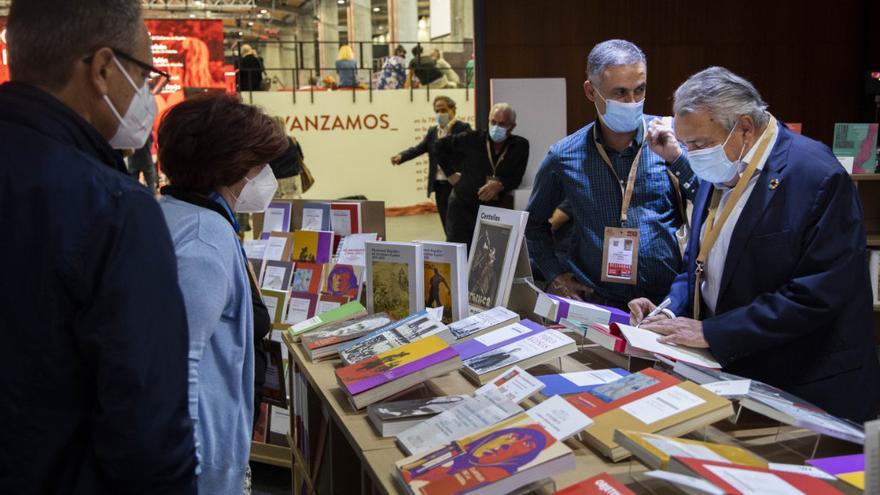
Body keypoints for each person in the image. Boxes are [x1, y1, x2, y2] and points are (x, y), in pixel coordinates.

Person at [0, 1, 196, 494]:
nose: (147, 96)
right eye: (145, 75)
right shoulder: (113, 209)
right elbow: (148, 436)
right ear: (104, 69)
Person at [629, 67, 880, 422]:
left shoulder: (817, 176)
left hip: (807, 384)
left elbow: (815, 293)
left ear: (745, 126)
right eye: (685, 145)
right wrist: (669, 311)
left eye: (699, 144)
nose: (691, 154)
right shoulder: (721, 165)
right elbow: (699, 260)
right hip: (739, 374)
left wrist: (712, 332)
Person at [157, 93, 288, 493]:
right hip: (200, 464)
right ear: (233, 165)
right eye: (261, 163)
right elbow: (179, 368)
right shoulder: (204, 239)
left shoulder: (175, 212)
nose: (267, 176)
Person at [526, 39, 696, 310]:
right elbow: (533, 225)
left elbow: (713, 204)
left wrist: (677, 158)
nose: (632, 102)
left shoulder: (671, 138)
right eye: (620, 93)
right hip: (597, 301)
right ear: (591, 91)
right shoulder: (564, 156)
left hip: (666, 300)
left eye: (639, 90)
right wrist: (555, 275)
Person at [436, 102, 529, 246]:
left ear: (512, 126)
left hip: (493, 211)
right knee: (460, 254)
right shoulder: (472, 138)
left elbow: (517, 177)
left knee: (487, 256)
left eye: (502, 124)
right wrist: (451, 175)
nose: (496, 127)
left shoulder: (520, 146)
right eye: (493, 122)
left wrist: (501, 185)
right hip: (462, 209)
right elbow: (438, 146)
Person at [392, 95, 472, 236]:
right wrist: (402, 156)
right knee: (445, 220)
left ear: (453, 110)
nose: (440, 114)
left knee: (458, 220)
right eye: (437, 111)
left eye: (443, 110)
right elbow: (419, 148)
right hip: (439, 184)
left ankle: (461, 247)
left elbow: (468, 152)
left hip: (456, 182)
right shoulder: (433, 131)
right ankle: (450, 246)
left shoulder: (463, 128)